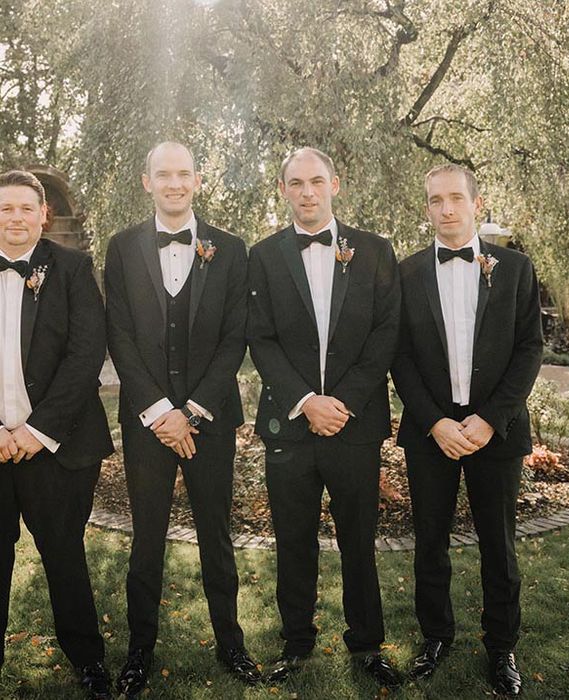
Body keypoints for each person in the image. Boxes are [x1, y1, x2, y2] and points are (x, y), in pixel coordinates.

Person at [104, 142, 259, 696]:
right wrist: (158, 411)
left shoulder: (231, 249)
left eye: (183, 174)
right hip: (147, 422)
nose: (174, 183)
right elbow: (118, 334)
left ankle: (231, 644)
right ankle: (138, 652)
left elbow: (233, 337)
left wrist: (191, 411)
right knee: (146, 540)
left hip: (208, 420)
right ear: (146, 182)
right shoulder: (121, 247)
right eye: (162, 175)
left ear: (197, 180)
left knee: (217, 536)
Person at [247, 147, 401, 688]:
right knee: (293, 539)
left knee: (360, 540)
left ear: (335, 184)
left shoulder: (376, 251)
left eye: (316, 181)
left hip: (355, 426)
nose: (307, 192)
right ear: (284, 190)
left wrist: (344, 403)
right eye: (296, 183)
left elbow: (386, 334)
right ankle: (296, 642)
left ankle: (366, 643)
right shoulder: (262, 257)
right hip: (289, 424)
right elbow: (259, 339)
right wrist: (305, 401)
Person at [391, 164, 543, 697]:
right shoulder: (406, 274)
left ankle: (502, 648)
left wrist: (490, 418)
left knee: (498, 545)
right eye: (436, 201)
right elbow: (400, 357)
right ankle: (436, 637)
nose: (447, 210)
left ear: (477, 203)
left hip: (494, 432)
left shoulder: (516, 268)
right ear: (427, 207)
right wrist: (434, 421)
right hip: (430, 431)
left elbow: (529, 349)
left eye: (456, 199)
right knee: (428, 541)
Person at [0, 170, 114, 699]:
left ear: (42, 215)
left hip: (57, 445)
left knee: (64, 554)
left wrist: (36, 431)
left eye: (26, 208)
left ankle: (88, 660)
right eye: (6, 208)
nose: (16, 218)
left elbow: (86, 355)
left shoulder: (72, 268)